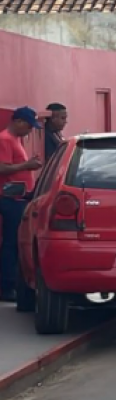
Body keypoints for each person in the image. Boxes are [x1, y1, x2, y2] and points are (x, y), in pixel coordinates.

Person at [0, 107, 44, 302]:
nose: (29, 130)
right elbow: (2, 168)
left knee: (15, 242)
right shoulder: (5, 139)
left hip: (19, 197)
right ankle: (7, 286)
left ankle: (12, 284)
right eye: (28, 126)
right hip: (10, 198)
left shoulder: (15, 140)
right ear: (18, 121)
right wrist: (27, 165)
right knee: (12, 243)